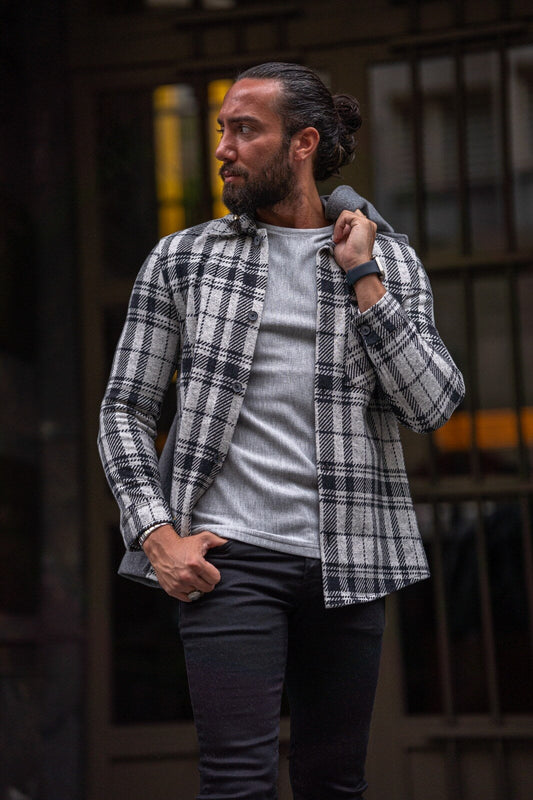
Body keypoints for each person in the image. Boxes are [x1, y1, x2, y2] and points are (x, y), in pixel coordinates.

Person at [98, 62, 464, 800]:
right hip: (228, 561)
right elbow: (124, 410)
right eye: (221, 130)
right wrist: (154, 533)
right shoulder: (185, 260)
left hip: (349, 558)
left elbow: (432, 405)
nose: (223, 148)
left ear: (301, 142)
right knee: (237, 783)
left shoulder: (387, 259)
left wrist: (363, 277)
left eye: (244, 130)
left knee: (333, 782)